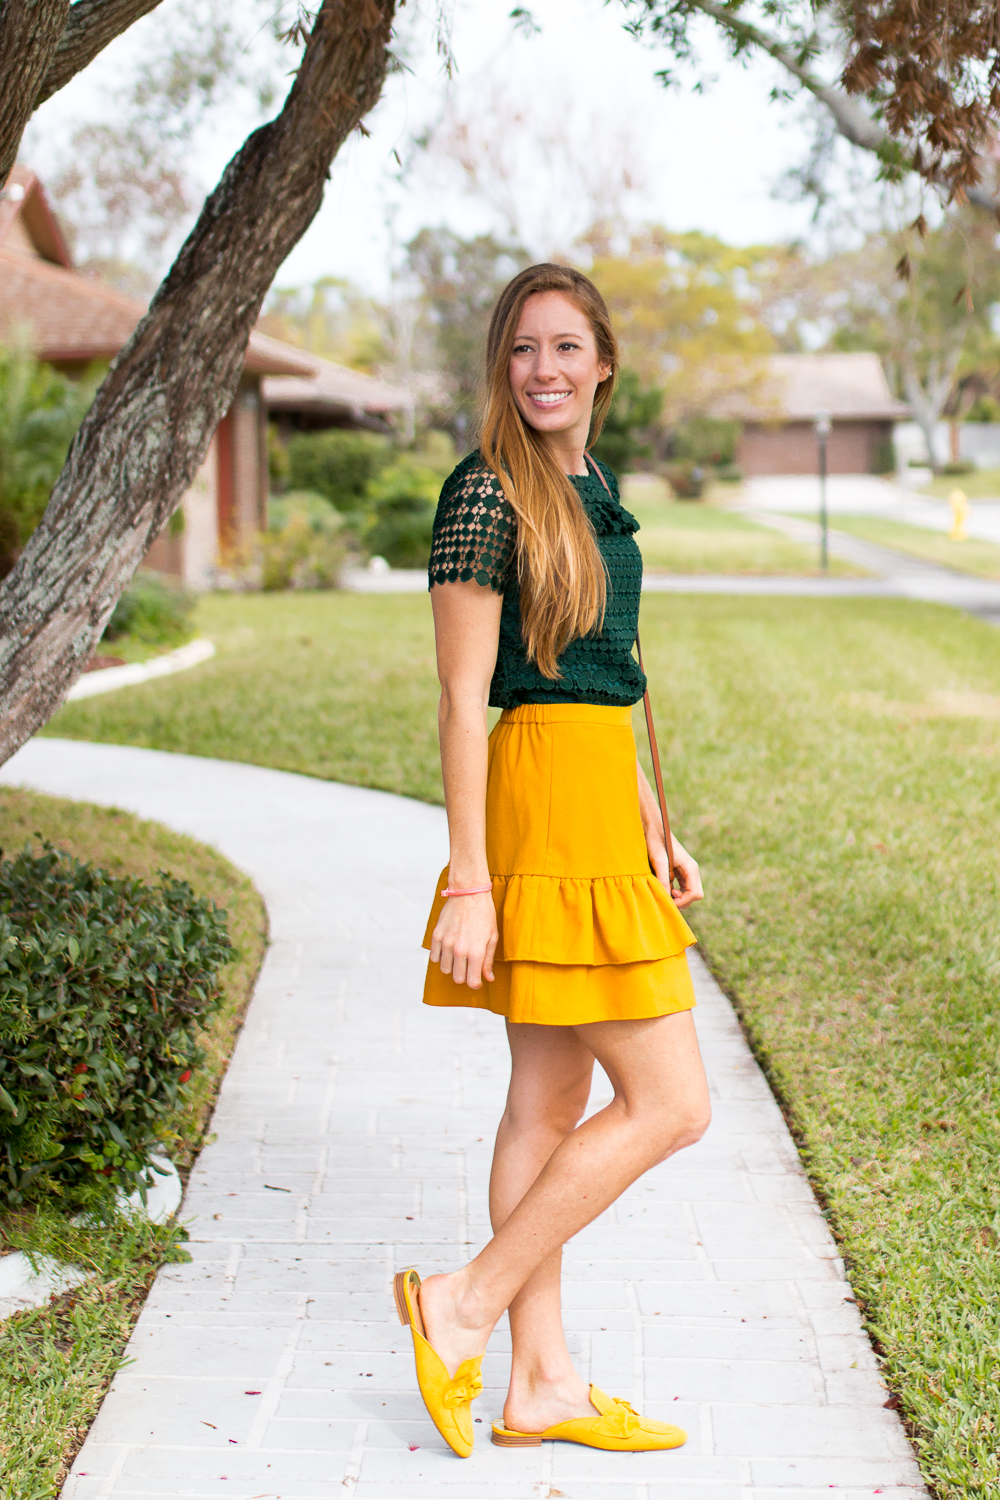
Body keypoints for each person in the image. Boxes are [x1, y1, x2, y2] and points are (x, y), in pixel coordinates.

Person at [394, 263, 711, 1459]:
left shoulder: (591, 482)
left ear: (603, 364)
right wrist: (467, 878)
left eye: (565, 347)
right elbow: (465, 693)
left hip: (596, 795)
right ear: (501, 364)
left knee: (547, 1098)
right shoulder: (484, 494)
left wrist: (651, 823)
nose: (543, 369)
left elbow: (595, 680)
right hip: (534, 803)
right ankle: (459, 1306)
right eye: (522, 348)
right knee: (673, 1104)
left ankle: (541, 1384)